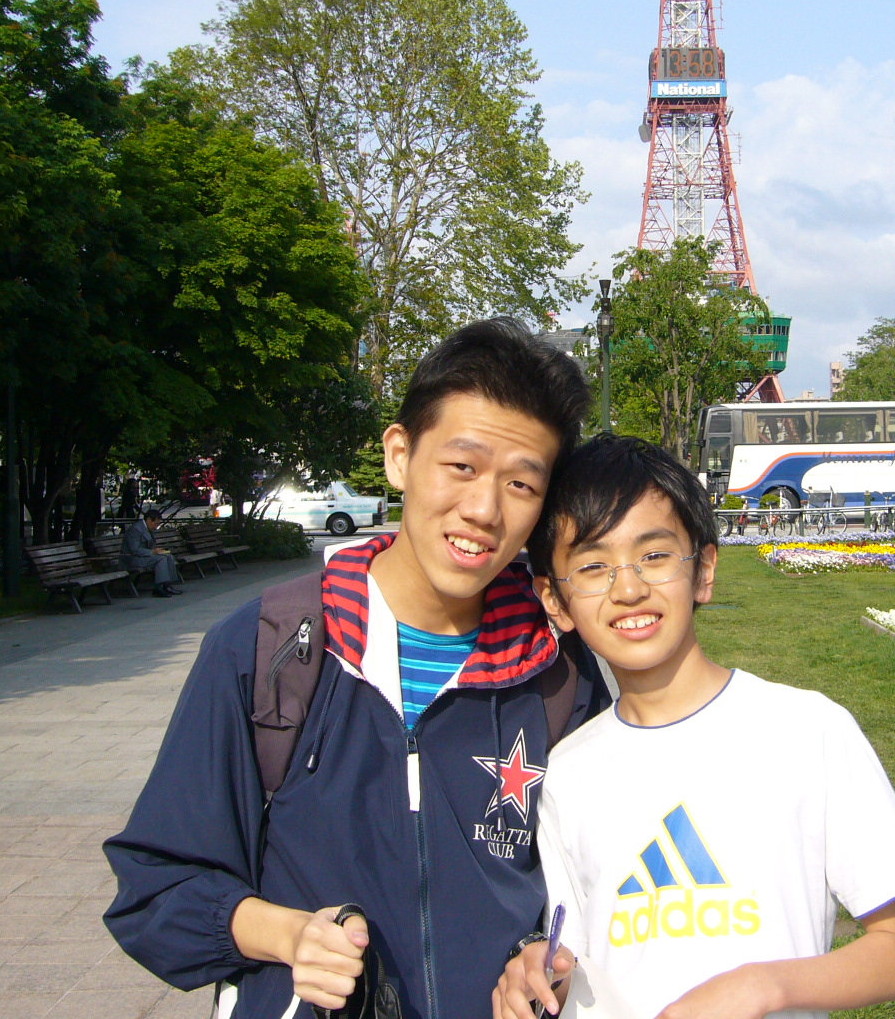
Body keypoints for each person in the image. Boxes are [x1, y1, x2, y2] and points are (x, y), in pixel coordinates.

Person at [103, 318, 610, 1019]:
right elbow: (157, 889)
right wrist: (289, 935)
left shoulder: (557, 669)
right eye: (461, 467)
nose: (483, 510)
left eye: (522, 484)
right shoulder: (268, 650)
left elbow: (598, 881)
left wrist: (545, 953)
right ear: (400, 455)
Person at [496, 434, 895, 1019]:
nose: (629, 588)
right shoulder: (565, 775)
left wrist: (763, 987)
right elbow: (570, 953)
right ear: (555, 599)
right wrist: (539, 969)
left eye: (655, 556)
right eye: (594, 566)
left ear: (703, 570)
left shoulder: (809, 731)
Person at [121, 506, 183, 598]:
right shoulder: (136, 529)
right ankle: (158, 587)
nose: (156, 526)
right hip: (133, 559)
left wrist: (158, 551)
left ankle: (167, 585)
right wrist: (152, 552)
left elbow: (150, 545)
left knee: (169, 556)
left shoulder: (148, 528)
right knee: (161, 559)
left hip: (143, 557)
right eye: (156, 524)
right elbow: (134, 550)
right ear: (149, 520)